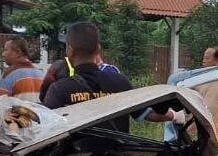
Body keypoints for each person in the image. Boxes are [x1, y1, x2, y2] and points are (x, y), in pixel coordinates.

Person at [42, 22, 176, 132]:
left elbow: (44, 130)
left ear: (70, 51)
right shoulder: (120, 82)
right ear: (98, 50)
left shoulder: (59, 90)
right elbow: (149, 114)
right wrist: (175, 116)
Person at [0, 37, 43, 103]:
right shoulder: (40, 74)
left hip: (19, 113)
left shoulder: (9, 74)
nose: (3, 54)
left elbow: (0, 104)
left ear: (18, 53)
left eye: (6, 50)